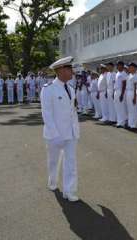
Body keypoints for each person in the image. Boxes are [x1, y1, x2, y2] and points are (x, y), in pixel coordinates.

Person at [41, 56, 80, 202]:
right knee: (53, 161)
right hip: (55, 134)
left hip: (70, 132)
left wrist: (76, 130)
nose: (72, 72)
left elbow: (73, 111)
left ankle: (70, 191)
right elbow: (47, 114)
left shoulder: (70, 88)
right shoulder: (48, 89)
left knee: (71, 162)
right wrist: (55, 134)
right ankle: (52, 180)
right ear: (61, 70)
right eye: (70, 69)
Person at [114, 61, 128, 128]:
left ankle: (122, 122)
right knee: (117, 107)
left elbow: (124, 84)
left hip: (121, 91)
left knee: (122, 107)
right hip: (116, 91)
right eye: (117, 65)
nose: (117, 66)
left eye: (119, 65)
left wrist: (122, 94)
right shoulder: (117, 73)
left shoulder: (123, 73)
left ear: (122, 66)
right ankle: (119, 121)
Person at [125, 63, 137, 129]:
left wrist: (135, 97)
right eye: (129, 67)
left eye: (130, 67)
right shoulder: (129, 75)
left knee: (133, 109)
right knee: (129, 109)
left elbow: (136, 87)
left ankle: (133, 125)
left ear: (134, 68)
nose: (129, 68)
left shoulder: (136, 76)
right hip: (128, 92)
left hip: (133, 92)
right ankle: (130, 124)